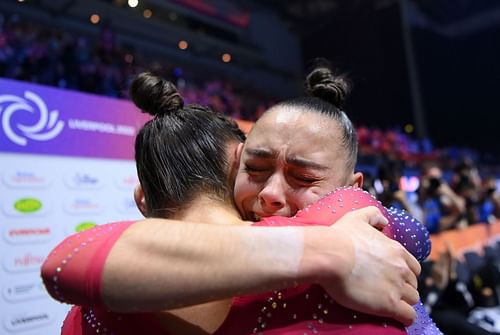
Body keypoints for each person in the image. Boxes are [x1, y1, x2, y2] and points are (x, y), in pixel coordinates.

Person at [42, 68, 430, 333]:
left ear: (353, 184)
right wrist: (334, 250)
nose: (271, 194)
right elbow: (65, 265)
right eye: (256, 169)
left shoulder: (352, 215)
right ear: (236, 163)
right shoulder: (325, 237)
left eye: (305, 177)